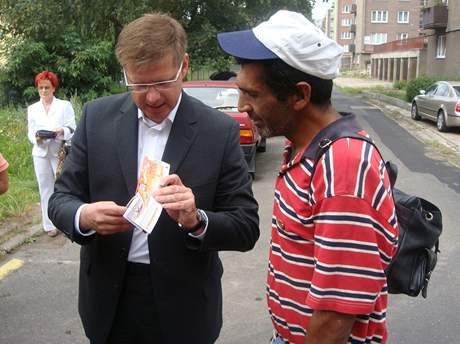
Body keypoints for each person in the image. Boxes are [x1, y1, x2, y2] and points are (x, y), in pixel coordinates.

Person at [48, 12, 259, 344]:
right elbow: (60, 199)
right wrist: (83, 216)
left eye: (162, 82)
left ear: (184, 66)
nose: (152, 97)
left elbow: (245, 227)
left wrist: (196, 219)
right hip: (108, 302)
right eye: (139, 84)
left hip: (186, 308)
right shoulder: (96, 118)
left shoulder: (218, 132)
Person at [218, 10, 398, 344]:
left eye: (253, 94)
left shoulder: (342, 165)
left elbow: (335, 316)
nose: (242, 106)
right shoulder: (306, 147)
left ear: (300, 95)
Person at [27, 70, 76, 237]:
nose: (43, 92)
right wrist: (37, 138)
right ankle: (49, 225)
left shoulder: (64, 106)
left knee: (62, 187)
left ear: (53, 88)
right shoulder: (32, 109)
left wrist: (61, 130)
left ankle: (64, 220)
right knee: (45, 188)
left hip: (58, 152)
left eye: (46, 88)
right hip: (40, 152)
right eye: (40, 88)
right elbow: (30, 131)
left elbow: (72, 128)